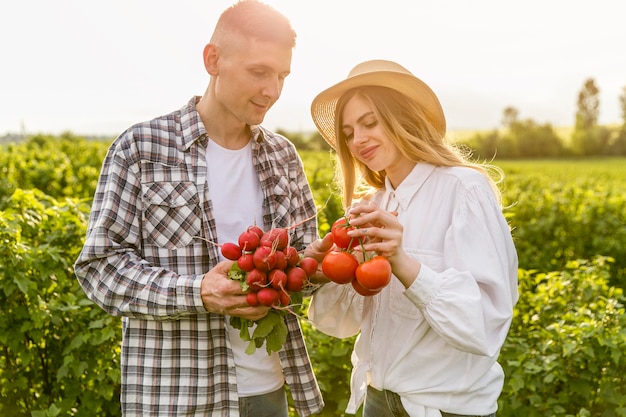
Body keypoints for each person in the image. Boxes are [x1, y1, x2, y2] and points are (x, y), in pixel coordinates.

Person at [74, 1, 324, 416]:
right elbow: (100, 269)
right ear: (213, 60)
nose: (273, 91)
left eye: (282, 76)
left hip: (268, 389)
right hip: (176, 397)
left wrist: (324, 259)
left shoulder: (283, 156)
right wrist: (198, 292)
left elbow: (302, 272)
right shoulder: (142, 148)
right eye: (259, 72)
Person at [304, 60, 519, 417]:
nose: (358, 140)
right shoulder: (373, 206)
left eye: (370, 122)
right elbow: (339, 324)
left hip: (444, 408)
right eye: (348, 132)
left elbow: (485, 323)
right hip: (377, 400)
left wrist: (403, 263)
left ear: (404, 118)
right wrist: (324, 274)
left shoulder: (463, 190)